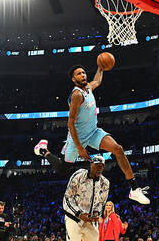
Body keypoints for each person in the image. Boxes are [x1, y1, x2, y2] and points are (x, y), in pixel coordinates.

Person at [34, 64, 149, 205]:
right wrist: (80, 148)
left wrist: (100, 68)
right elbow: (70, 124)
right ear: (73, 79)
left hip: (93, 132)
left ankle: (134, 189)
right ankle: (43, 151)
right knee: (64, 168)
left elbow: (97, 81)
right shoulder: (77, 95)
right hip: (78, 137)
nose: (82, 75)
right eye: (78, 74)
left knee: (118, 149)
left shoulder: (88, 88)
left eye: (83, 72)